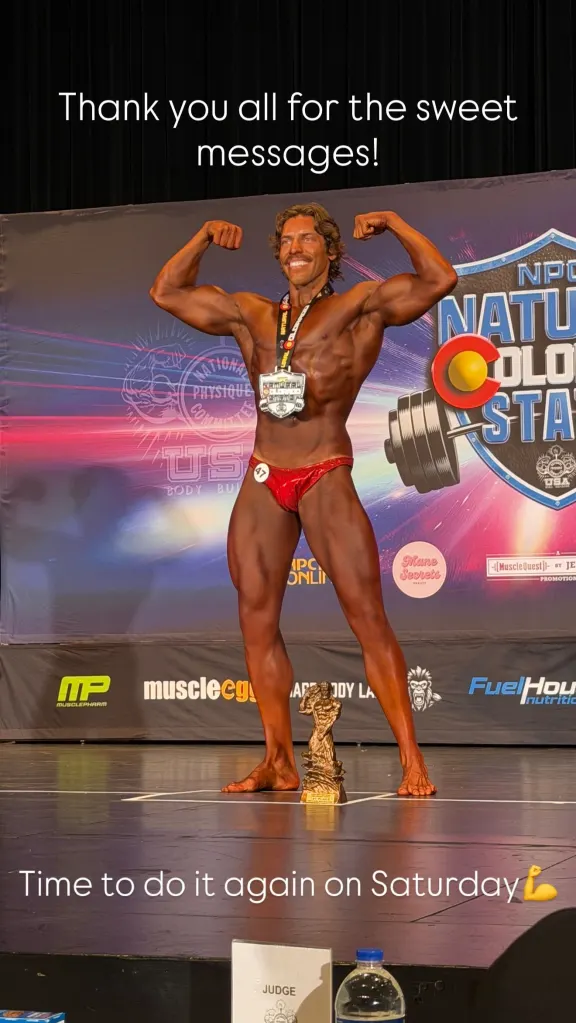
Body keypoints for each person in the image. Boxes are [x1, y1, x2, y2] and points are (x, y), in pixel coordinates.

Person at [150, 202, 457, 796]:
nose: (295, 248)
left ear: (330, 252)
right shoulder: (251, 315)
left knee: (367, 617)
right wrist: (203, 236)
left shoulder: (357, 309)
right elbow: (167, 291)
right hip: (266, 473)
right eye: (287, 240)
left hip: (324, 471)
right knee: (255, 620)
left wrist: (395, 224)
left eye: (307, 240)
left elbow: (439, 279)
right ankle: (278, 760)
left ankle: (412, 760)